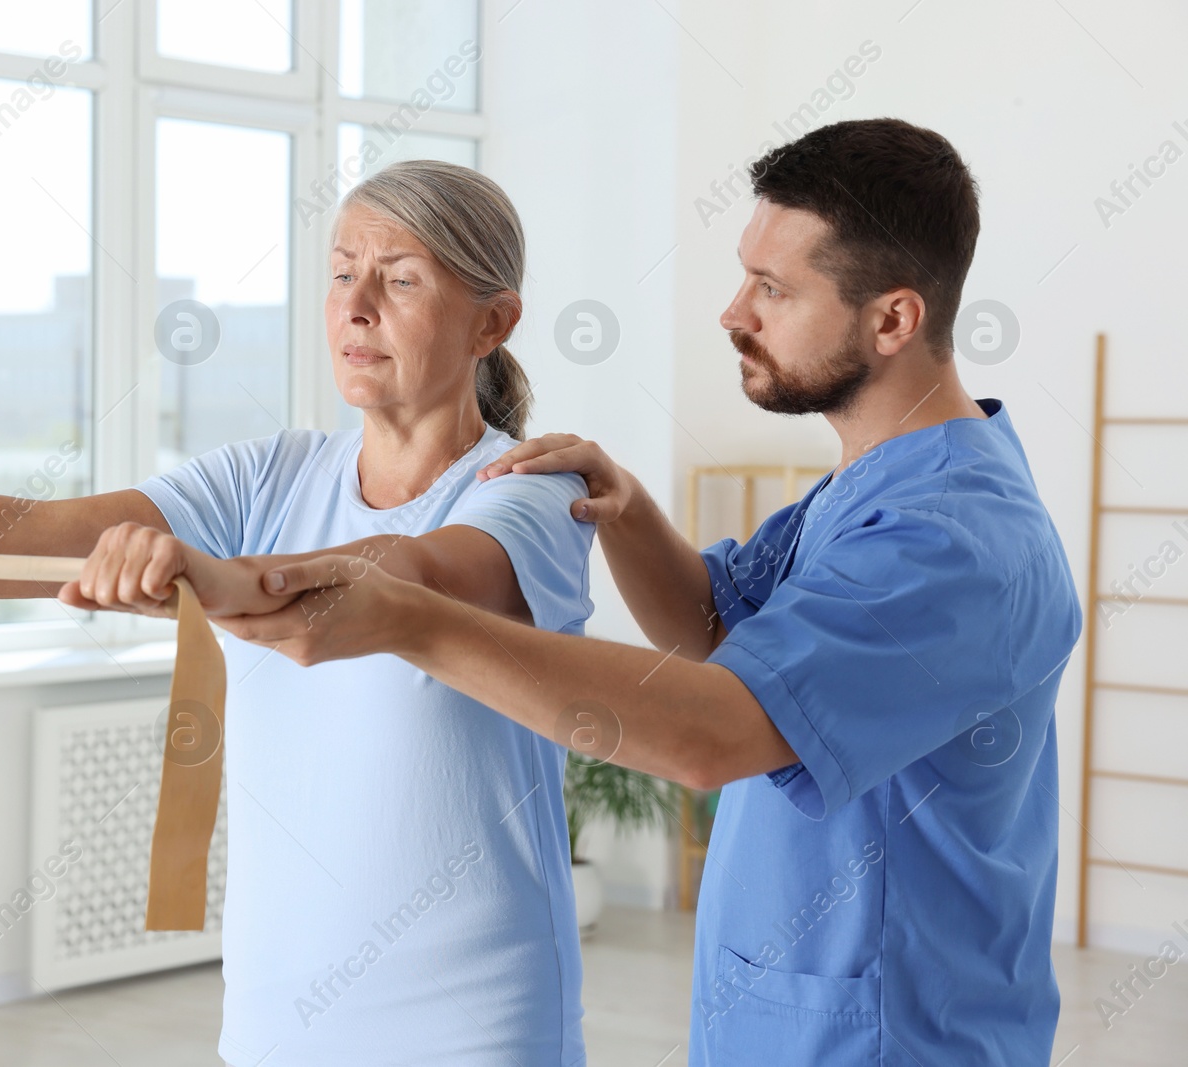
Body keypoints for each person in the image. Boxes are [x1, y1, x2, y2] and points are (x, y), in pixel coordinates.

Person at [0, 161, 594, 1065]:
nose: (356, 307)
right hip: (279, 1016)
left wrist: (205, 573)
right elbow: (23, 531)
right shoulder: (274, 474)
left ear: (492, 323)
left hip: (472, 1022)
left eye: (399, 281)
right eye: (343, 273)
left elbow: (395, 580)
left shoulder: (526, 490)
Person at [216, 119, 1085, 1066]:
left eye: (772, 289)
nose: (732, 313)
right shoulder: (869, 487)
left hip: (889, 1038)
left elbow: (713, 731)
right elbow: (715, 628)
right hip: (778, 1025)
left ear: (893, 320)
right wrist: (626, 513)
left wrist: (412, 621)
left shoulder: (953, 543)